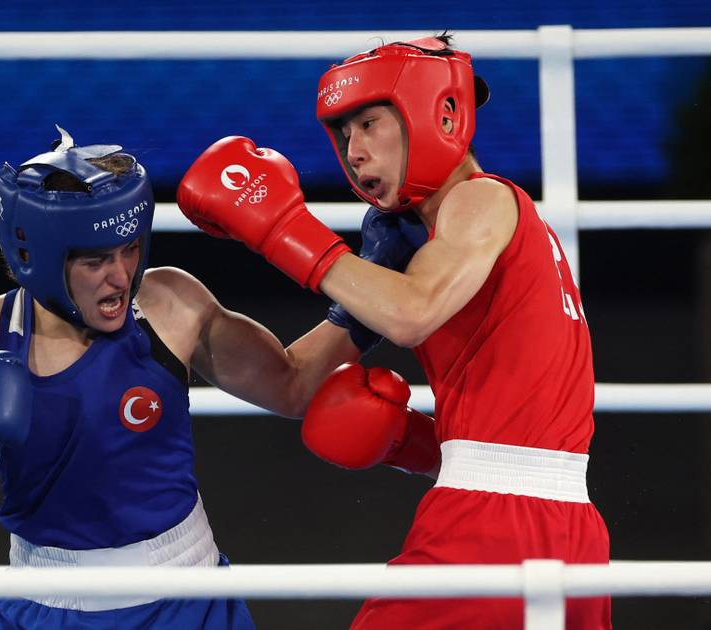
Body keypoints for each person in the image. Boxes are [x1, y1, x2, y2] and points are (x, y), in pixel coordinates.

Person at [175, 34, 611, 629]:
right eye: (344, 134)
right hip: (568, 531)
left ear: (443, 114)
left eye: (371, 124)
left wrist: (281, 227)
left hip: (492, 527)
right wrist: (193, 323)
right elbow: (295, 384)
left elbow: (412, 313)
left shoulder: (480, 200)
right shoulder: (425, 253)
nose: (354, 151)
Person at [0, 126, 373, 629]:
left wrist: (378, 277)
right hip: (46, 608)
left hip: (190, 596)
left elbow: (293, 384)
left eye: (130, 249)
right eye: (96, 260)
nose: (121, 275)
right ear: (38, 259)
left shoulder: (168, 305)